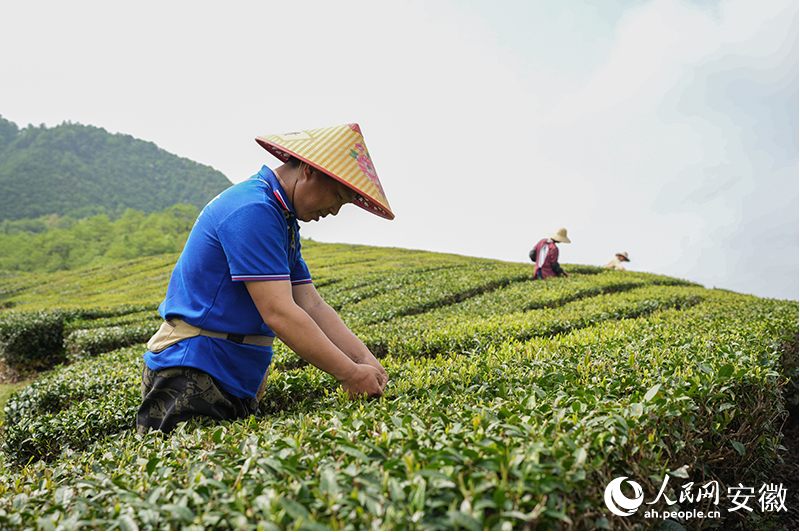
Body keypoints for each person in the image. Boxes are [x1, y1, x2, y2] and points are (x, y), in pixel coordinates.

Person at [137, 123, 393, 434]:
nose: (335, 211)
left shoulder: (280, 218)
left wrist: (367, 361)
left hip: (230, 375)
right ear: (309, 172)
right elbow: (279, 312)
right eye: (338, 196)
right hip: (195, 371)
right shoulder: (253, 210)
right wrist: (349, 374)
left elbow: (311, 305)